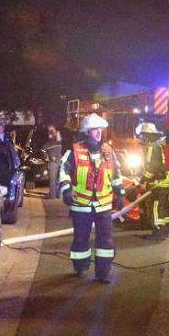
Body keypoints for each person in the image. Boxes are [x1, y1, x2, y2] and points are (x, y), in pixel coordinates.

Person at [58, 113, 124, 283]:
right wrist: (66, 190)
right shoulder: (74, 151)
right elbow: (63, 171)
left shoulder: (108, 151)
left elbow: (116, 173)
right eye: (94, 129)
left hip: (104, 205)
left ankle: (103, 272)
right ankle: (81, 267)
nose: (98, 132)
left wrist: (120, 192)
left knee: (105, 241)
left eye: (100, 129)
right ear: (87, 132)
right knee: (81, 239)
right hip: (81, 205)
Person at [137, 122, 169, 240]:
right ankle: (166, 229)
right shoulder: (160, 145)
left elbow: (152, 167)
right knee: (163, 206)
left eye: (144, 135)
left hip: (159, 183)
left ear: (149, 135)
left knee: (155, 206)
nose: (142, 137)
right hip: (167, 181)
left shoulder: (152, 147)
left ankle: (158, 231)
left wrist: (143, 179)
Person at [43, 125, 63, 198]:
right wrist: (47, 157)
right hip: (54, 161)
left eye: (51, 130)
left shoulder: (58, 140)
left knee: (56, 179)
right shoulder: (49, 143)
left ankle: (54, 195)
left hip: (57, 161)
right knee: (54, 179)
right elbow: (44, 151)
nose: (50, 132)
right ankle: (54, 194)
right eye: (49, 131)